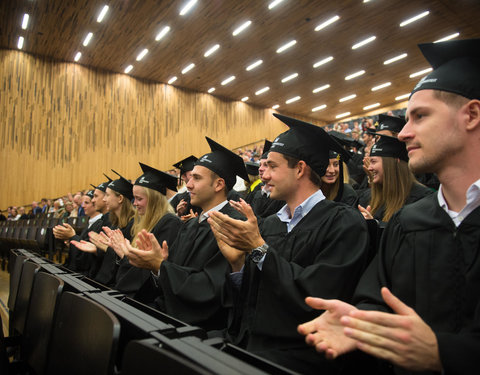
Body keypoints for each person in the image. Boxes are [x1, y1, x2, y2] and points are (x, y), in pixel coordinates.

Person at [298, 38, 480, 374]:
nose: (404, 133)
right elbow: (375, 295)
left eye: (420, 116)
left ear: (471, 115)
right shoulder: (411, 221)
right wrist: (362, 321)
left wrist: (445, 353)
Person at [207, 113, 371, 374]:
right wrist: (237, 263)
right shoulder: (270, 224)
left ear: (300, 169)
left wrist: (259, 249)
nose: (264, 175)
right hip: (252, 344)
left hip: (300, 356)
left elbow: (316, 297)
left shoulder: (343, 222)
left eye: (272, 166)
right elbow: (251, 302)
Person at [123, 137, 249, 331]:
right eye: (189, 178)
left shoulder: (232, 225)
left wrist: (160, 266)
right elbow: (170, 276)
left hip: (200, 329)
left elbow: (210, 288)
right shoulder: (191, 225)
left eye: (196, 178)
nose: (188, 185)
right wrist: (158, 269)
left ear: (218, 185)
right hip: (171, 313)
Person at [108, 163, 182, 301]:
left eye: (139, 199)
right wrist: (123, 256)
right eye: (134, 198)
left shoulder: (170, 223)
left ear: (154, 201)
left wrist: (126, 256)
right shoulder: (143, 222)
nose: (134, 203)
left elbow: (149, 271)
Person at [358, 134, 432, 225]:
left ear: (392, 164)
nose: (369, 168)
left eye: (373, 162)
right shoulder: (368, 197)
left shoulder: (422, 200)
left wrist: (375, 226)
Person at [53, 190, 103, 271]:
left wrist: (72, 236)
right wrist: (72, 243)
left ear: (95, 203)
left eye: (86, 203)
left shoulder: (100, 224)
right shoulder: (89, 223)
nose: (83, 206)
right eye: (83, 203)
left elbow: (88, 257)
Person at [249, 140, 285, 219]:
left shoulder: (283, 196)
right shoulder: (258, 192)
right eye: (260, 165)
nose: (260, 169)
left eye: (266, 165)